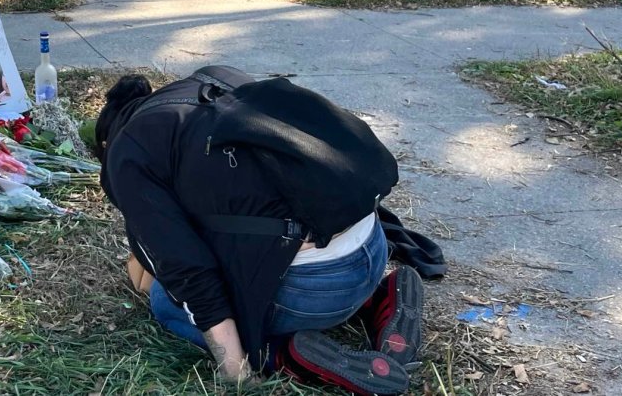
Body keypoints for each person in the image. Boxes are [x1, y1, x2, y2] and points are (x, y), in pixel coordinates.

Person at [94, 67, 426, 395]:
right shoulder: (215, 80)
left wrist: (237, 371)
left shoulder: (127, 152)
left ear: (108, 143)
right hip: (373, 243)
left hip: (316, 290)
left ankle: (285, 354)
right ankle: (377, 299)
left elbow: (188, 275)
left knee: (164, 302)